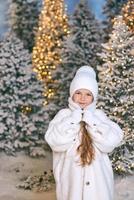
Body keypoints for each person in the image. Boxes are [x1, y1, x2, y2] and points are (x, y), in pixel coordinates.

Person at [45, 66, 123, 200]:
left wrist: (92, 121)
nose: (82, 98)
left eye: (88, 94)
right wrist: (73, 120)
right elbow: (54, 141)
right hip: (70, 180)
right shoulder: (64, 115)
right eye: (78, 93)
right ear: (72, 94)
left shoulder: (99, 116)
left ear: (94, 97)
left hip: (98, 184)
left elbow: (111, 142)